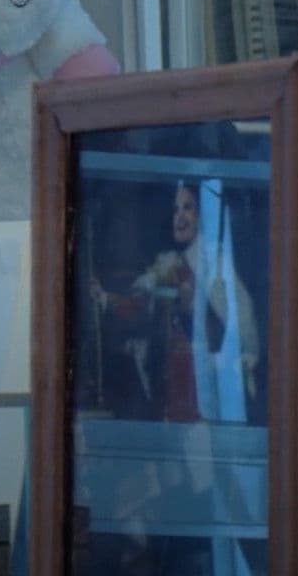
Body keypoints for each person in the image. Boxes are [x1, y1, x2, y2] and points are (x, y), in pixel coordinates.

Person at [91, 180, 260, 423]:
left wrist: (246, 356)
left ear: (202, 215)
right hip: (172, 386)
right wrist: (106, 298)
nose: (180, 216)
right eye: (175, 209)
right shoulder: (167, 266)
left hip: (207, 385)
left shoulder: (215, 264)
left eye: (187, 208)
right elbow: (140, 308)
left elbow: (241, 316)